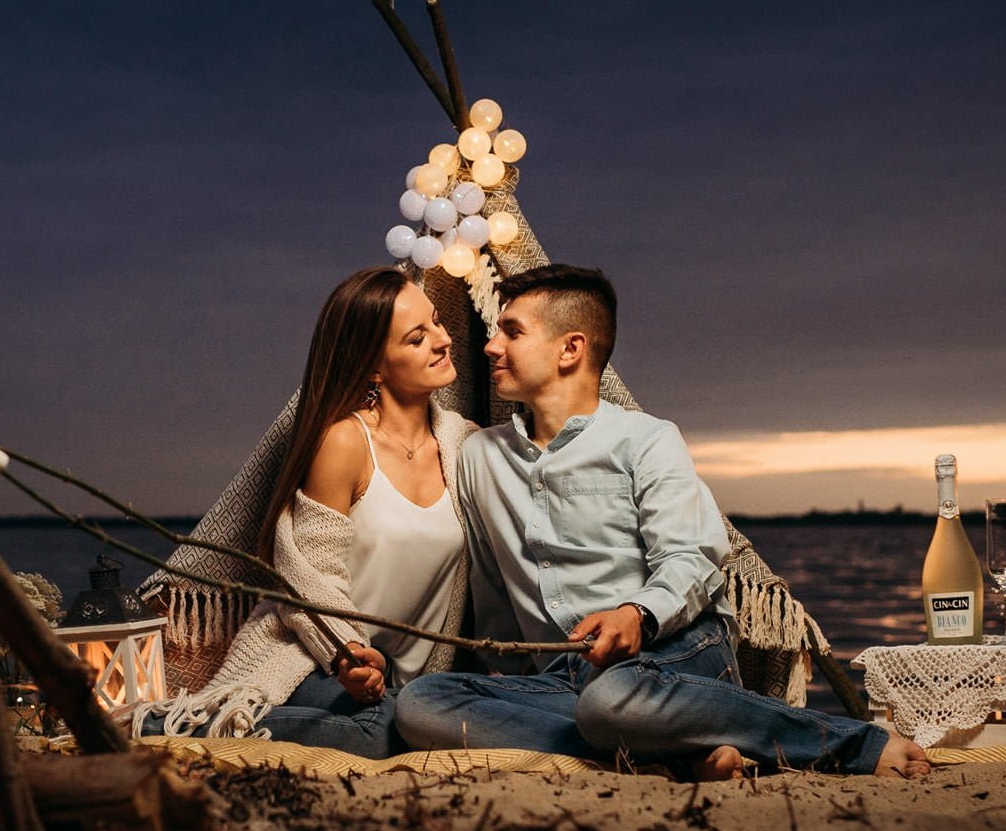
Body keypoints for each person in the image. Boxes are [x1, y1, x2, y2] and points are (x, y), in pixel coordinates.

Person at [396, 264, 930, 778]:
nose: (491, 346)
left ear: (570, 349)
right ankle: (670, 751)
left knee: (611, 700)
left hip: (677, 651)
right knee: (423, 702)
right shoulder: (480, 456)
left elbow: (692, 558)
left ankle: (853, 742)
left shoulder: (647, 439)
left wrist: (636, 614)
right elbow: (494, 592)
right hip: (567, 678)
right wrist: (513, 686)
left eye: (511, 331)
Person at [144, 266, 477, 756]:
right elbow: (309, 575)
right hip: (312, 658)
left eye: (436, 323)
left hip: (404, 679)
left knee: (413, 720)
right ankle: (163, 728)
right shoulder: (344, 441)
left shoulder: (463, 443)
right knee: (385, 730)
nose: (442, 340)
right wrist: (346, 654)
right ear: (374, 365)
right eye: (416, 337)